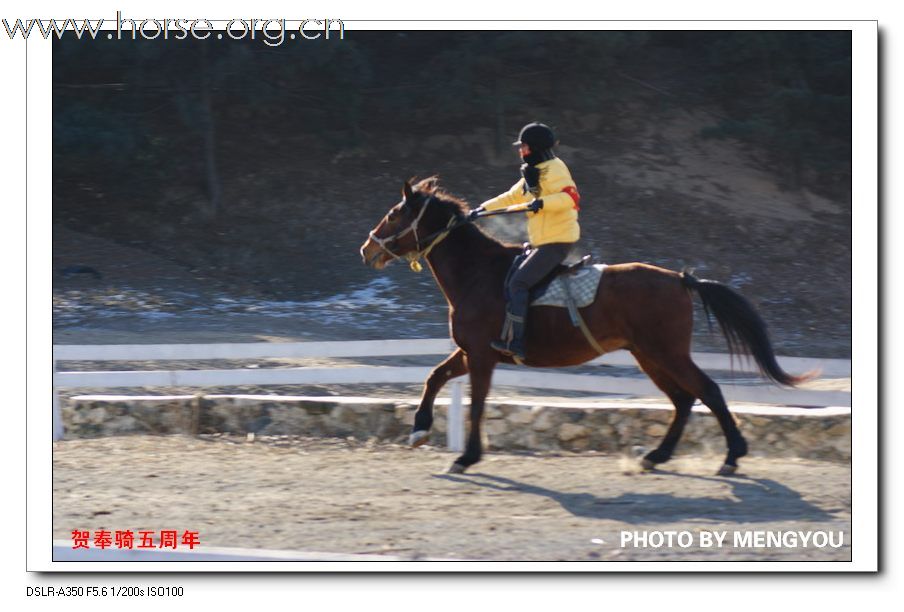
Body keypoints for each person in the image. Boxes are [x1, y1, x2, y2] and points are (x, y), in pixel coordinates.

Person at [469, 122, 581, 361]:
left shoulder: (555, 169)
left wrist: (543, 203)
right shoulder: (534, 171)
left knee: (518, 284)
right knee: (511, 280)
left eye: (525, 147)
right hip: (543, 242)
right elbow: (511, 197)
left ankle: (516, 342)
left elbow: (571, 198)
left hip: (558, 241)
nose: (521, 151)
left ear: (536, 147)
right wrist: (480, 209)